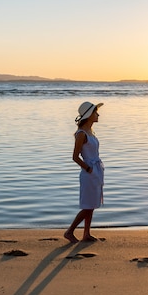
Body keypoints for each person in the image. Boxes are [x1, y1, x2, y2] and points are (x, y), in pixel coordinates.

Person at [64, 101, 104, 243]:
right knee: (88, 206)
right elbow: (75, 157)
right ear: (89, 115)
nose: (98, 114)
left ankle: (86, 233)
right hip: (89, 172)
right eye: (95, 112)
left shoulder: (90, 132)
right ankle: (69, 232)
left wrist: (95, 170)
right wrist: (88, 169)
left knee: (91, 205)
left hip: (95, 171)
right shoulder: (81, 134)